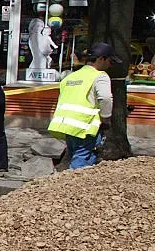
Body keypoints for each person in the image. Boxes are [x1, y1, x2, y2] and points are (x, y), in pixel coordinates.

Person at [47, 41, 117, 169]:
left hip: (67, 125)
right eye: (110, 61)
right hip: (85, 126)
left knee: (76, 154)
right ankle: (72, 187)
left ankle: (68, 184)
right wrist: (106, 118)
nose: (110, 65)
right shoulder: (100, 76)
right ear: (101, 59)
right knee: (81, 159)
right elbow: (105, 98)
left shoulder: (71, 77)